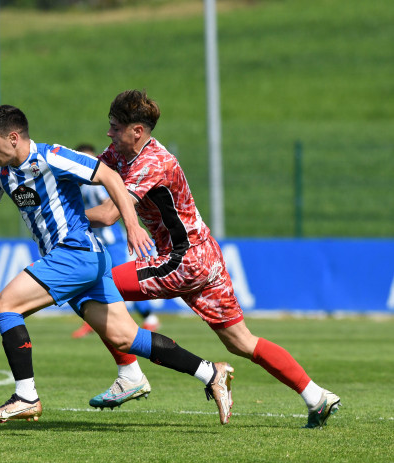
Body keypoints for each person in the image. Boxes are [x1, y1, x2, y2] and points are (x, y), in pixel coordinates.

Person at [0, 104, 234, 425]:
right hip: (82, 259)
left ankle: (26, 396)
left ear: (13, 137)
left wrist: (132, 225)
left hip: (75, 253)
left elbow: (109, 176)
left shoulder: (53, 157)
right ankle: (210, 372)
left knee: (4, 306)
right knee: (125, 337)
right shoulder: (0, 171)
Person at [86, 89, 341, 428]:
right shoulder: (120, 154)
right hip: (206, 255)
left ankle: (131, 373)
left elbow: (105, 215)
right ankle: (317, 397)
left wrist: (50, 214)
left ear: (137, 132)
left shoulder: (152, 162)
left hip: (183, 260)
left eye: (115, 127)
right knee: (241, 342)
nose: (109, 133)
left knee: (92, 285)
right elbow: (84, 169)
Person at [71, 142, 159, 339]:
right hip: (99, 241)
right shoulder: (82, 183)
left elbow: (109, 206)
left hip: (113, 241)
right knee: (99, 281)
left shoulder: (96, 184)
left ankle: (149, 317)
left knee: (118, 282)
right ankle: (97, 321)